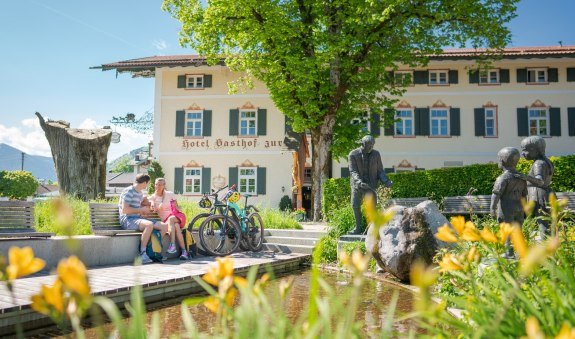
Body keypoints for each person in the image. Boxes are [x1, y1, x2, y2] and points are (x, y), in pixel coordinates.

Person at [119, 173, 168, 264]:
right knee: (148, 225)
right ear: (144, 183)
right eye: (148, 183)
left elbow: (145, 201)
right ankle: (142, 253)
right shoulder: (129, 191)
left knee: (164, 226)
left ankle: (151, 249)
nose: (148, 185)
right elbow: (125, 210)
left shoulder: (140, 192)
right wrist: (140, 210)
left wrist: (151, 204)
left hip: (137, 218)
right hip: (127, 220)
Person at [348, 135, 393, 235]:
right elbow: (353, 171)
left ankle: (370, 230)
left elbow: (380, 170)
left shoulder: (376, 154)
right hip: (357, 186)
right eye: (369, 145)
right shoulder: (353, 154)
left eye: (372, 145)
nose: (371, 147)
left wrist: (386, 181)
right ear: (363, 144)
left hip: (371, 185)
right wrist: (359, 182)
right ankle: (358, 228)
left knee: (372, 207)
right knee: (355, 205)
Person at [490, 147, 527, 258]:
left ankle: (509, 253)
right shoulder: (521, 177)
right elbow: (524, 194)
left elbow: (496, 194)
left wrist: (492, 208)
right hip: (519, 207)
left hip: (506, 209)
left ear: (501, 161)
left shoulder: (502, 178)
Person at [516, 136, 554, 239]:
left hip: (538, 195)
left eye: (525, 150)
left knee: (542, 221)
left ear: (535, 150)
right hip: (544, 193)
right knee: (544, 221)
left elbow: (540, 181)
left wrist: (524, 177)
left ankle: (545, 246)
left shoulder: (538, 163)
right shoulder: (546, 161)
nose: (523, 153)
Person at [149, 178, 188, 260]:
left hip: (177, 216)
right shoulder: (153, 197)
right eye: (156, 184)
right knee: (176, 226)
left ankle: (172, 245)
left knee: (171, 220)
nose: (158, 186)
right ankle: (184, 252)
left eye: (160, 185)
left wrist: (178, 207)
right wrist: (153, 205)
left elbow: (176, 207)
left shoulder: (170, 194)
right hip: (166, 221)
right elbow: (151, 205)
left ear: (164, 186)